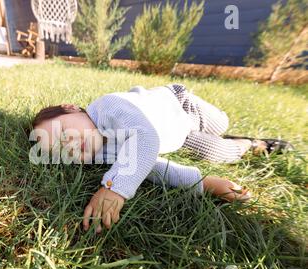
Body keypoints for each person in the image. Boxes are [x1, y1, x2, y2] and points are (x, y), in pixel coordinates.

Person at [30, 83, 294, 233]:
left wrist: (114, 188)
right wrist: (203, 182)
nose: (72, 144)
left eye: (64, 131)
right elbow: (150, 167)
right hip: (179, 137)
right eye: (64, 152)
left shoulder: (106, 107)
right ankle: (253, 144)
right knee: (219, 153)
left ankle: (221, 131)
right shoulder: (102, 154)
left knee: (220, 123)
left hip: (182, 107)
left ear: (71, 108)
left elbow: (143, 138)